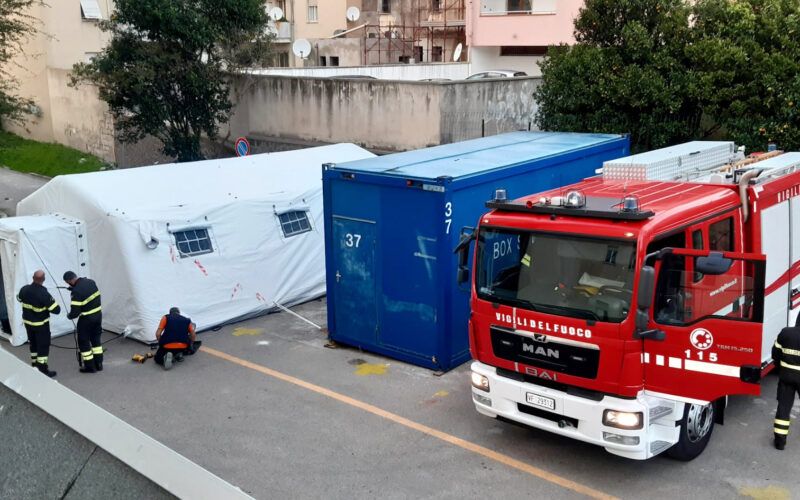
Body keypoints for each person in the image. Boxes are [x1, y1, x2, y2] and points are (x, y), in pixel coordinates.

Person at [17, 270, 61, 377]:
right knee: (43, 346)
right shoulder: (44, 294)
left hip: (28, 323)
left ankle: (34, 364)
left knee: (34, 344)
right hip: (41, 325)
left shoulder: (24, 289)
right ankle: (42, 369)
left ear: (33, 277)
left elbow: (18, 298)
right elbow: (56, 310)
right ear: (43, 279)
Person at [63, 271, 103, 374]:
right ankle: (99, 364)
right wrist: (74, 289)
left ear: (70, 280)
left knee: (84, 343)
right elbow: (86, 292)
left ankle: (90, 367)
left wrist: (69, 316)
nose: (68, 284)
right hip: (98, 316)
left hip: (86, 320)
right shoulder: (90, 282)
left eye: (68, 282)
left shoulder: (76, 292)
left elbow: (75, 313)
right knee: (96, 341)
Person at [772, 314, 800, 450]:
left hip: (786, 376)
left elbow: (775, 353)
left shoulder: (786, 332)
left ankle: (780, 442)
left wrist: (780, 368)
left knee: (783, 409)